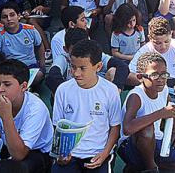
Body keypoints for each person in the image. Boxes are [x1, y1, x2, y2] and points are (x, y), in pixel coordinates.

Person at [118, 52, 175, 172]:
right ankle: (151, 168)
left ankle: (141, 167)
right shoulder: (136, 97)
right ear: (140, 77)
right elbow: (127, 128)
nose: (161, 79)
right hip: (131, 147)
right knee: (147, 129)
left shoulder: (164, 90)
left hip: (157, 140)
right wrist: (160, 113)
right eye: (155, 75)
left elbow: (171, 109)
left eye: (164, 74)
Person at [51, 40, 122, 172]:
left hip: (97, 154)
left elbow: (115, 127)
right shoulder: (63, 90)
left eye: (82, 68)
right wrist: (60, 154)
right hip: (69, 156)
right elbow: (57, 126)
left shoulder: (110, 90)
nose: (76, 73)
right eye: (73, 67)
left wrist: (105, 153)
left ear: (98, 66)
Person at [0, 59, 53, 171]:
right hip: (8, 145)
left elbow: (19, 155)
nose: (0, 89)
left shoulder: (36, 108)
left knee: (2, 169)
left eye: (7, 84)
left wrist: (6, 117)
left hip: (37, 153)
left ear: (23, 87)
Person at [0, 2, 46, 86]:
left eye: (12, 15)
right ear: (1, 20)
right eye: (5, 17)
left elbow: (40, 45)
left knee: (39, 75)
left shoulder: (30, 30)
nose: (9, 19)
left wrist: (43, 66)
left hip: (30, 66)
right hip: (10, 69)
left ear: (18, 16)